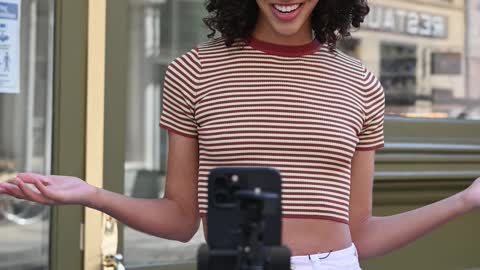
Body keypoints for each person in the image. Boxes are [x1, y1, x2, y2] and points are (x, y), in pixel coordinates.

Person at [0, 0, 479, 269]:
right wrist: (91, 194)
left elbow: (359, 234)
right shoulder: (194, 71)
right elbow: (181, 218)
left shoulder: (360, 84)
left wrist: (463, 201)